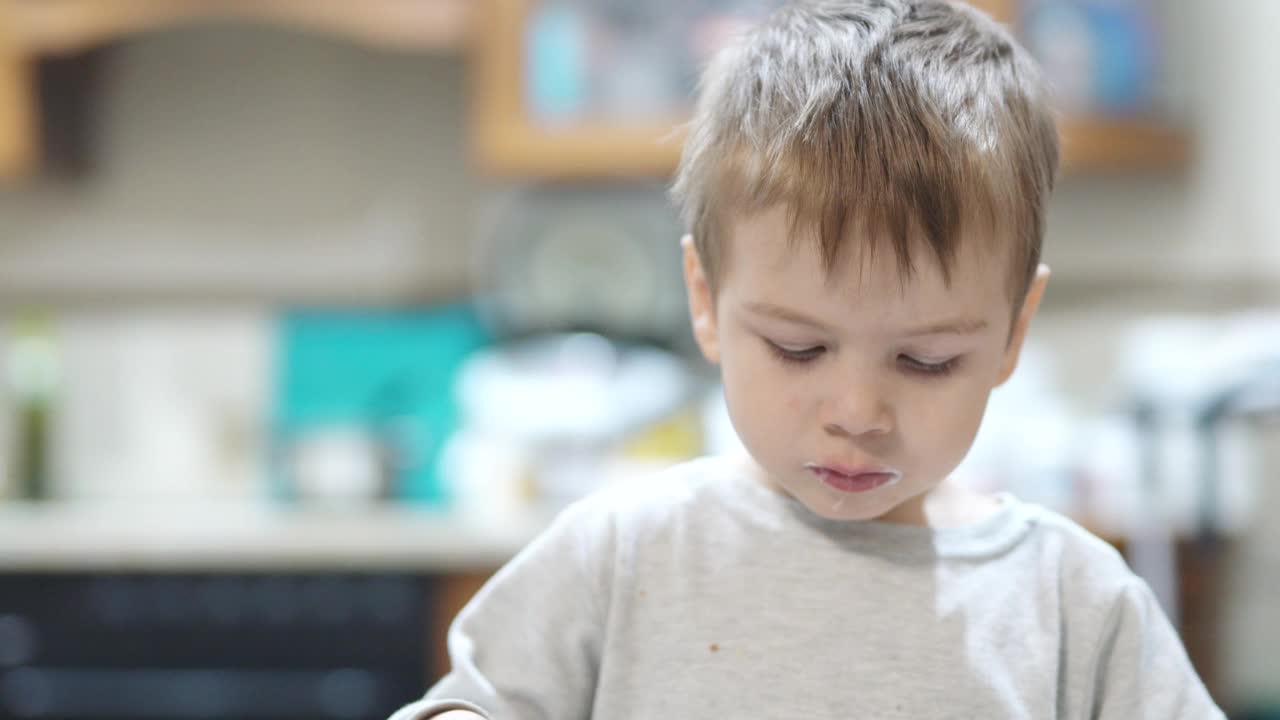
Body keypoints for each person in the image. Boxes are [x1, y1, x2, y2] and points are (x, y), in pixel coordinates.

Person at [391, 1, 1224, 717]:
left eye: (926, 359)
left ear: (1013, 331)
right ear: (706, 301)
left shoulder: (1073, 601)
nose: (856, 412)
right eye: (799, 349)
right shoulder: (625, 553)